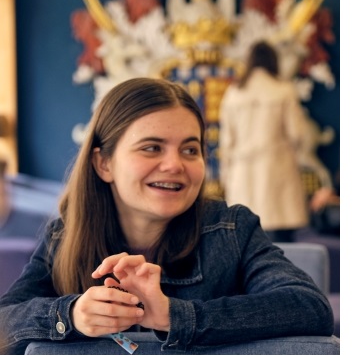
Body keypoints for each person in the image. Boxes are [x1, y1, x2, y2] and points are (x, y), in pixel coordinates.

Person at [0, 77, 334, 355]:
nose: (175, 165)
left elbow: (310, 307)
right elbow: (5, 321)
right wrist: (71, 314)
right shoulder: (63, 235)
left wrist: (174, 316)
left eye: (191, 150)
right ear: (104, 163)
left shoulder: (233, 228)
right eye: (152, 147)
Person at [219, 41, 309, 242]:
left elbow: (226, 141)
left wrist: (226, 176)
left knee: (245, 240)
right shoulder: (283, 90)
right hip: (277, 169)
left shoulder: (234, 93)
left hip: (243, 174)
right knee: (284, 247)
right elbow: (297, 133)